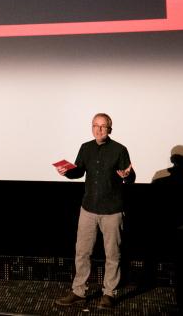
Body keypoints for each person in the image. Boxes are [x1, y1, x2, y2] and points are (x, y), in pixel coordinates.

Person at [55, 113, 135, 310]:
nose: (99, 130)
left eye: (103, 126)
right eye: (95, 126)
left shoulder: (119, 150)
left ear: (110, 129)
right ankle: (78, 291)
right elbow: (79, 171)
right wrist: (67, 172)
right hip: (88, 209)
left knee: (112, 254)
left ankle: (109, 293)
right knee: (82, 252)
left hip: (112, 210)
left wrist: (127, 175)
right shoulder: (85, 148)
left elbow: (129, 177)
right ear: (91, 128)